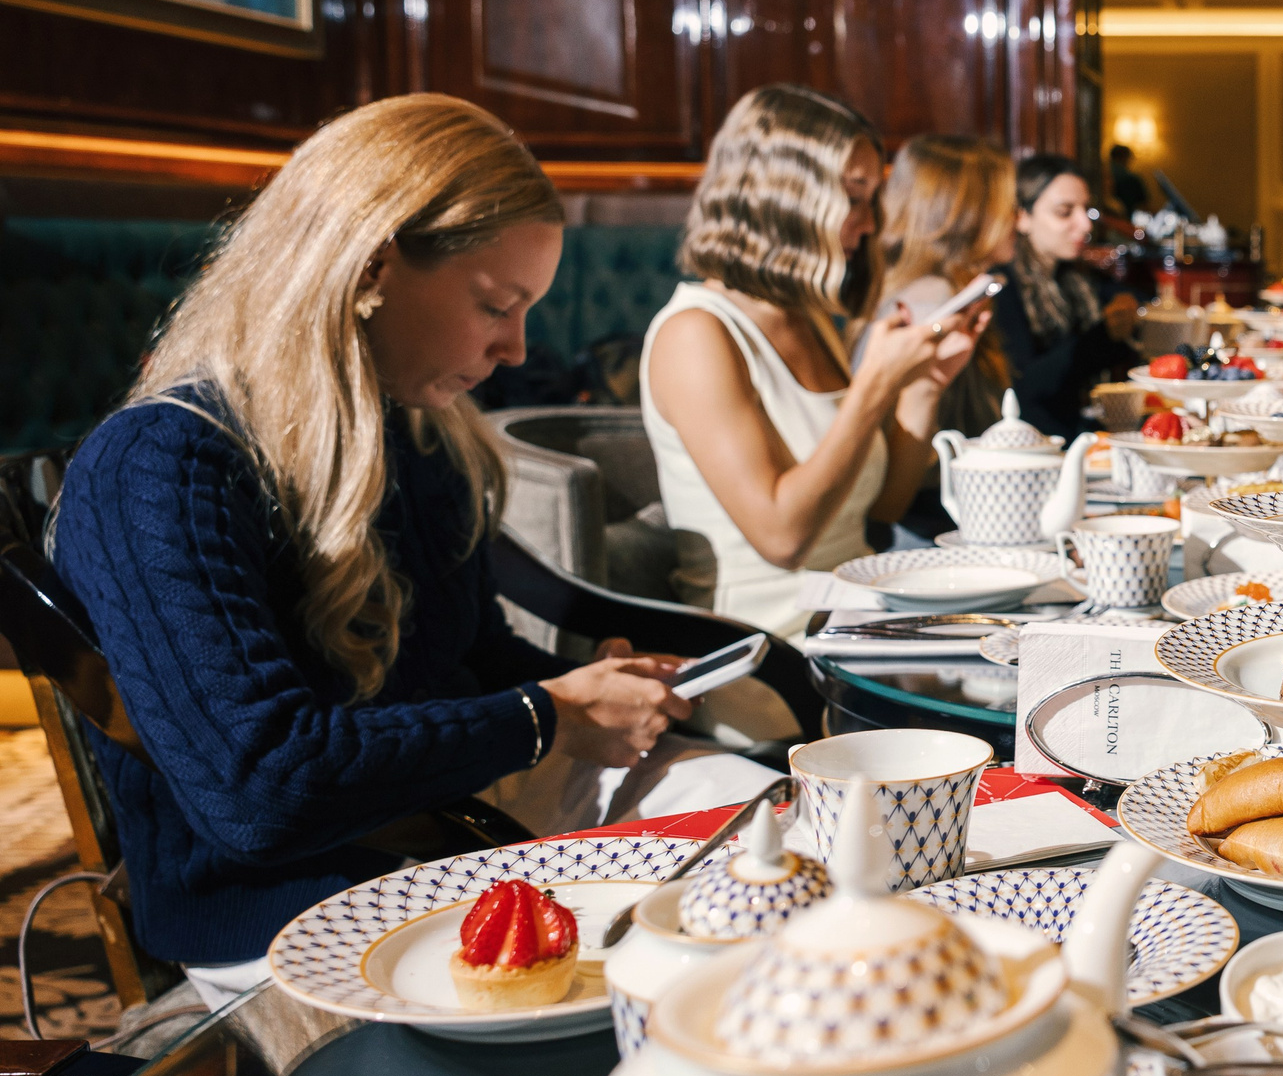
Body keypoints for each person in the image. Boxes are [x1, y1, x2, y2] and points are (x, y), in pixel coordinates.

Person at [49, 95, 774, 1004]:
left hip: (448, 827)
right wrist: (542, 715)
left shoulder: (413, 432)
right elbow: (264, 790)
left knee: (785, 836)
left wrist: (581, 689)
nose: (515, 349)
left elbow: (461, 661)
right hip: (292, 909)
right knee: (726, 947)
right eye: (496, 305)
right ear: (372, 267)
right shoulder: (161, 464)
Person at [643, 87, 984, 634]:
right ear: (786, 195)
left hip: (855, 621)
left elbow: (881, 513)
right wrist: (873, 387)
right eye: (853, 196)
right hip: (769, 647)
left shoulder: (809, 318)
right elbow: (783, 539)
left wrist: (924, 386)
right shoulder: (696, 334)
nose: (869, 222)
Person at [871, 134, 1019, 437]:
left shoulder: (951, 287)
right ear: (967, 212)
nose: (1018, 218)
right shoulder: (931, 298)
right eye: (1008, 205)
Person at [993, 152, 1142, 439]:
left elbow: (1130, 297)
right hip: (1032, 446)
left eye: (1086, 210)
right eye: (1065, 212)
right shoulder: (1004, 284)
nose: (1085, 225)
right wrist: (1103, 336)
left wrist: (1127, 310)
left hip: (1078, 435)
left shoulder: (1072, 277)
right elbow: (1024, 388)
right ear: (1022, 217)